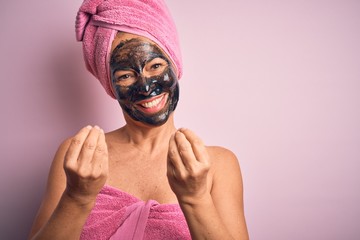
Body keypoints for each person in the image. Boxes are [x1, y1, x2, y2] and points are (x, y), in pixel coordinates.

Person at [28, 0, 249, 239]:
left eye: (155, 65)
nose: (145, 87)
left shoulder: (218, 164)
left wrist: (196, 199)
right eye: (125, 75)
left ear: (175, 65)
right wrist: (76, 197)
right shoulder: (77, 157)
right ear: (110, 85)